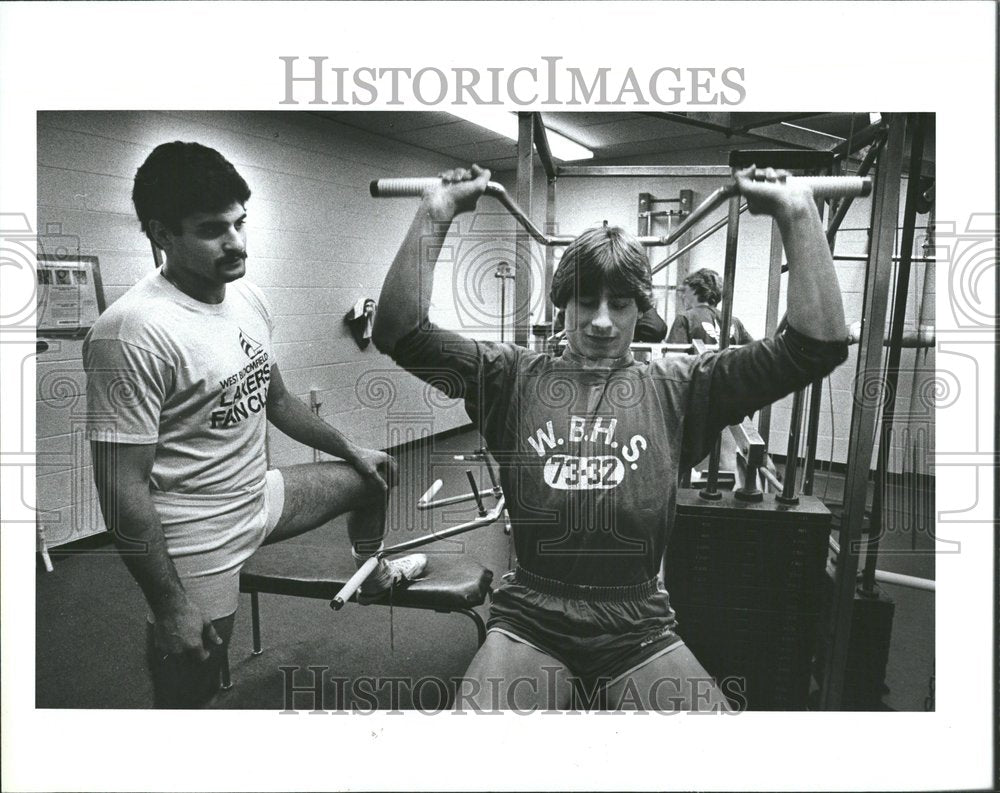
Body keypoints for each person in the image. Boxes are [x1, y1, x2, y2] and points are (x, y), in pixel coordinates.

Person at [373, 164, 848, 712]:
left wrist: (797, 213)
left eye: (619, 305)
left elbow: (816, 346)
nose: (601, 321)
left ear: (639, 309)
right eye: (585, 303)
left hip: (636, 623)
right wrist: (435, 212)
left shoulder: (684, 386)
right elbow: (399, 331)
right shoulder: (508, 377)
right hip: (533, 613)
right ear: (563, 305)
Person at [83, 141, 425, 708]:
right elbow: (121, 489)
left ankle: (375, 572)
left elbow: (279, 398)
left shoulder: (248, 298)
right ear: (161, 234)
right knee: (191, 685)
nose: (236, 242)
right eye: (213, 229)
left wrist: (351, 449)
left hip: (258, 497)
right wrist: (171, 605)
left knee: (375, 474)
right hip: (198, 530)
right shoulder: (132, 332)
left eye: (241, 223)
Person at [667, 268, 753, 347]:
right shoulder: (734, 322)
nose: (682, 296)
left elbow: (674, 357)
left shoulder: (685, 318)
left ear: (695, 290)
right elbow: (753, 352)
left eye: (685, 291)